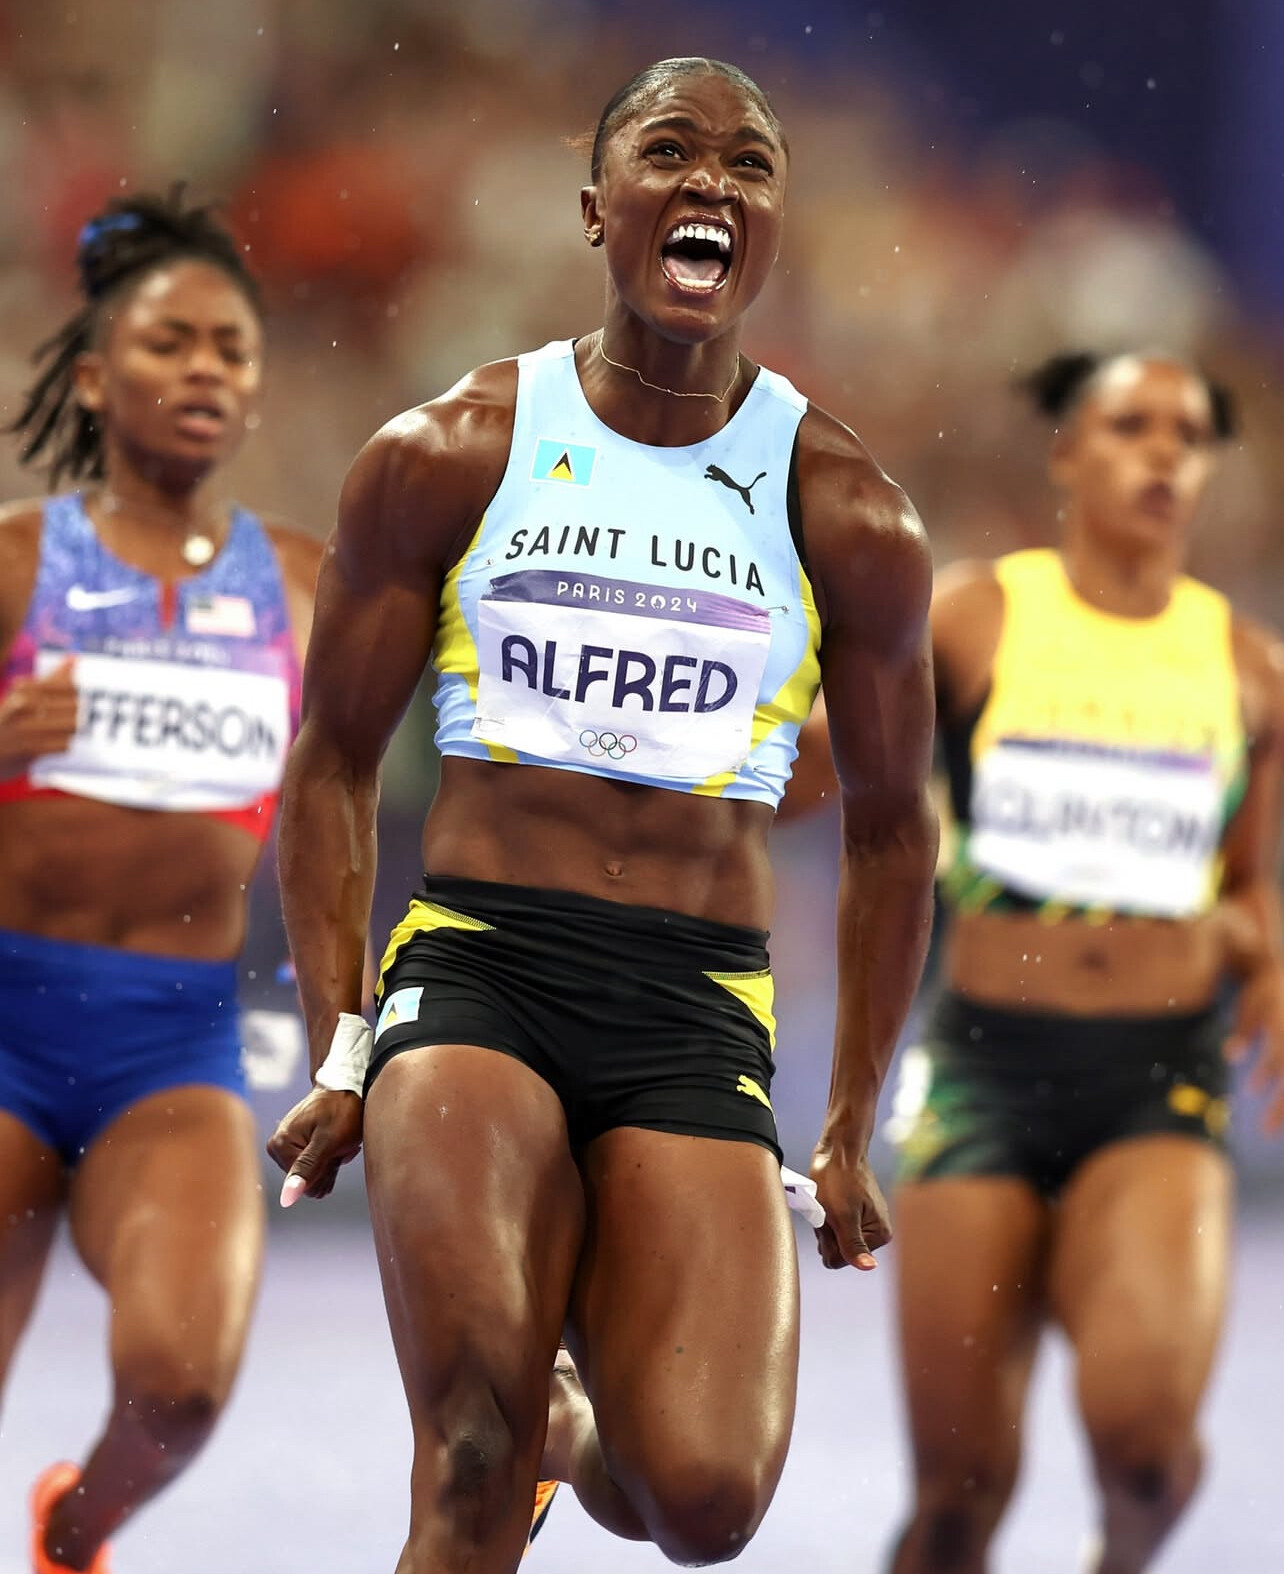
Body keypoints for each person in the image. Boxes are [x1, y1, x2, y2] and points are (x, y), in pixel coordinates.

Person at [267, 55, 937, 1574]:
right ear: (595, 207)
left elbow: (897, 830)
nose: (711, 182)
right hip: (482, 970)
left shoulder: (847, 512)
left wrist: (848, 1123)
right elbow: (332, 760)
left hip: (694, 1004)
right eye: (671, 150)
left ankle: (572, 1430)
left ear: (774, 226)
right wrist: (344, 1041)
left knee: (702, 1500)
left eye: (750, 164)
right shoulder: (451, 452)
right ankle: (520, 1430)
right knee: (470, 1444)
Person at [786, 349, 1284, 1573]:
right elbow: (832, 760)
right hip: (983, 1077)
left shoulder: (1248, 668)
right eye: (1130, 425)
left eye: (1189, 435)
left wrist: (1265, 957)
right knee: (957, 1499)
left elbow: (1243, 883)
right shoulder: (979, 616)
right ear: (1066, 452)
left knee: (1149, 1448)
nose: (1163, 453)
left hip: (1156, 1084)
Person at [0, 190, 321, 1573]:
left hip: (172, 1045)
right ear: (92, 376)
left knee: (183, 1385)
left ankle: (76, 1529)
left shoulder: (306, 583)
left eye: (231, 349)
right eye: (169, 342)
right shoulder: (18, 557)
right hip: (4, 1019)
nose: (205, 369)